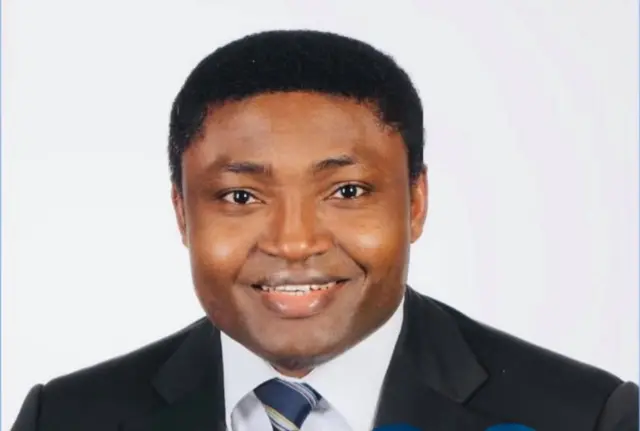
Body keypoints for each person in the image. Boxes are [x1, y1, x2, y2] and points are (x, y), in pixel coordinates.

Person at [12, 30, 638, 431]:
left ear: (416, 202)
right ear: (181, 212)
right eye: (240, 196)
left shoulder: (583, 418)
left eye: (347, 192)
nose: (293, 242)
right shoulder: (65, 419)